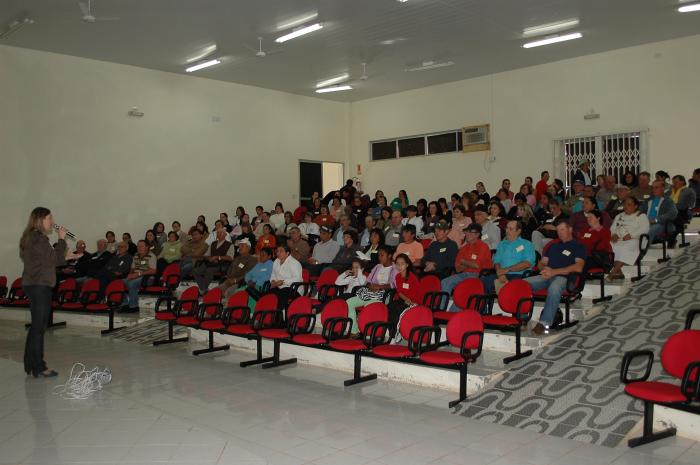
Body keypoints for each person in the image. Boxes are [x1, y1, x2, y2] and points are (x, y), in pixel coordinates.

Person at [19, 207, 67, 378]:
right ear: (40, 219)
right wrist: (61, 239)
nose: (52, 221)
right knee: (39, 327)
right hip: (40, 285)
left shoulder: (30, 237)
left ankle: (31, 363)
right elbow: (56, 259)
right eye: (49, 218)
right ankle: (38, 366)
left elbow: (45, 260)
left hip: (34, 284)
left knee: (37, 327)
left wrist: (68, 256)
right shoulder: (38, 238)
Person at [526, 219, 586, 335]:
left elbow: (578, 267)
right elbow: (542, 263)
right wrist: (543, 269)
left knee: (554, 287)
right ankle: (522, 319)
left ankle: (544, 323)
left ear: (570, 229)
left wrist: (554, 271)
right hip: (547, 275)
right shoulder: (553, 246)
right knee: (523, 284)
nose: (560, 233)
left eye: (562, 229)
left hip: (565, 278)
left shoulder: (578, 246)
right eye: (558, 230)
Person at [440, 223, 493, 311]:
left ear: (477, 234)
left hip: (479, 275)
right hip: (464, 274)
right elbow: (457, 268)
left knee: (465, 285)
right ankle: (441, 309)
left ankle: (456, 309)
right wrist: (468, 264)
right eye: (467, 232)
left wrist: (464, 262)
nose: (467, 234)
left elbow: (477, 266)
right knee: (445, 282)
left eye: (470, 232)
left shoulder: (483, 246)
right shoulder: (464, 248)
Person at [344, 247, 397, 333]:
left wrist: (379, 287)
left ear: (389, 256)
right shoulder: (377, 266)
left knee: (368, 306)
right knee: (349, 302)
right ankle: (354, 331)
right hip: (370, 293)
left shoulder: (395, 268)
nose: (379, 257)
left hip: (384, 295)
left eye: (382, 255)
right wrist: (370, 286)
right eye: (379, 255)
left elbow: (394, 285)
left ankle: (366, 331)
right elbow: (368, 281)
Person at [481, 220, 536, 296]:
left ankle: (510, 305)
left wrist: (507, 270)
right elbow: (496, 261)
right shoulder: (502, 244)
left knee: (511, 286)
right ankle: (485, 307)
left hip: (519, 275)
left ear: (518, 231)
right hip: (501, 273)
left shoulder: (527, 244)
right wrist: (500, 273)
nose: (507, 231)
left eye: (510, 229)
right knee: (483, 281)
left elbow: (527, 263)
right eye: (506, 228)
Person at [608, 197, 649, 281]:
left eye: (629, 204)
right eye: (624, 204)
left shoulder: (641, 216)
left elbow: (644, 229)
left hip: (635, 239)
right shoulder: (619, 215)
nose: (626, 206)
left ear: (635, 206)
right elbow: (612, 228)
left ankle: (612, 273)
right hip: (619, 239)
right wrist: (614, 234)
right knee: (609, 246)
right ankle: (619, 273)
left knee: (625, 247)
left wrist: (631, 235)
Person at [388, 254, 422, 341]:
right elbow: (400, 292)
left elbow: (419, 293)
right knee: (391, 306)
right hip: (405, 300)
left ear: (407, 265)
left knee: (398, 309)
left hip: (414, 302)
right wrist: (406, 299)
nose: (399, 266)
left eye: (402, 264)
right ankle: (393, 333)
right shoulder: (398, 276)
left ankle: (395, 334)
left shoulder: (412, 277)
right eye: (397, 264)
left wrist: (411, 302)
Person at [193, 228, 235, 292]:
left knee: (209, 271)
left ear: (225, 235)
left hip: (221, 264)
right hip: (210, 263)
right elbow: (206, 255)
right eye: (217, 233)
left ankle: (203, 289)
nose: (218, 234)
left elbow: (230, 257)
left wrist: (217, 257)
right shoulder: (213, 243)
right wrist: (209, 258)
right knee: (195, 271)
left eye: (220, 233)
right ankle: (204, 288)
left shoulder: (230, 245)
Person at [123, 240, 156, 312]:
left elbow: (153, 271)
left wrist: (138, 274)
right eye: (138, 246)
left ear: (147, 247)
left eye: (141, 246)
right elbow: (132, 268)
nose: (139, 248)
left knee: (132, 284)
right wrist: (130, 274)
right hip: (136, 275)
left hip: (147, 277)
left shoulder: (151, 256)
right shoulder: (136, 255)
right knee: (120, 282)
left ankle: (133, 306)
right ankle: (124, 304)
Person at [643, 180, 678, 245]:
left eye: (656, 187)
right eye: (652, 188)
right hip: (646, 222)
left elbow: (673, 213)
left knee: (652, 229)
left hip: (662, 224)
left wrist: (656, 220)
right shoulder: (647, 200)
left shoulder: (668, 201)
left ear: (663, 188)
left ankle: (644, 247)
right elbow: (640, 211)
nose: (654, 190)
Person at [669, 174, 696, 247]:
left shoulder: (689, 191)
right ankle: (670, 238)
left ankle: (671, 239)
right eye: (673, 182)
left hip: (683, 211)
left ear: (682, 182)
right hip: (671, 211)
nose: (674, 184)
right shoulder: (670, 190)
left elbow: (691, 205)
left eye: (676, 182)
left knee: (677, 218)